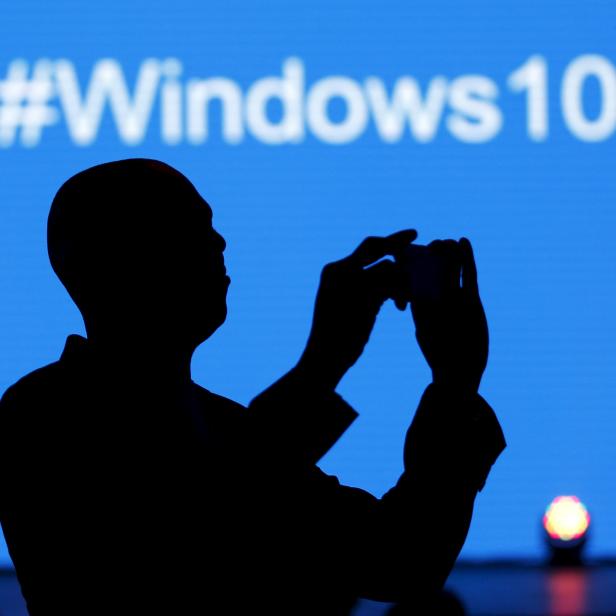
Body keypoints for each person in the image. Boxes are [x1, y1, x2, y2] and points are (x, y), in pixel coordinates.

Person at [0, 159, 505, 615]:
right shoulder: (40, 419)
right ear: (120, 259)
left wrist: (335, 362)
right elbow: (215, 514)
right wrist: (451, 384)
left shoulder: (58, 410)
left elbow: (380, 552)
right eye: (190, 227)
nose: (219, 243)